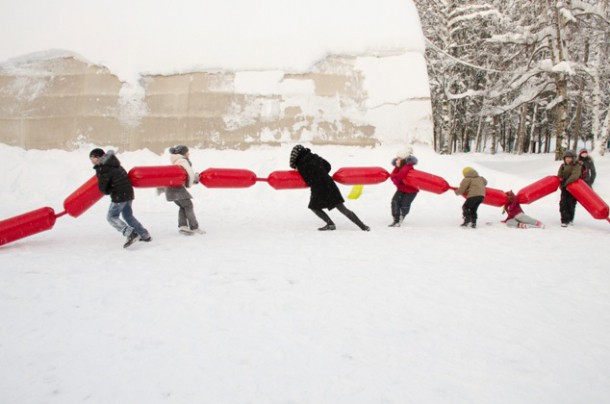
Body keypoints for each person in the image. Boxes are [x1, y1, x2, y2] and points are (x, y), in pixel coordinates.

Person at [289, 145, 370, 231]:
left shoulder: (301, 164)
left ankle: (330, 224)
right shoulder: (314, 157)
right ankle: (363, 226)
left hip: (318, 188)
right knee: (342, 208)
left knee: (314, 207)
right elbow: (328, 166)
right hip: (329, 184)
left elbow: (308, 181)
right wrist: (322, 174)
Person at [89, 148, 151, 248]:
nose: (92, 160)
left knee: (111, 217)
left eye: (94, 157)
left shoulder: (103, 168)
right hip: (128, 193)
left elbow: (103, 188)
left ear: (100, 157)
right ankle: (144, 235)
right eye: (91, 158)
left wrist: (108, 190)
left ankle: (130, 233)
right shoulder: (113, 162)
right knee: (128, 216)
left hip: (119, 195)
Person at [164, 145, 204, 235]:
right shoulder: (182, 161)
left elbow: (182, 176)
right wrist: (193, 180)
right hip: (177, 189)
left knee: (183, 206)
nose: (188, 154)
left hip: (170, 188)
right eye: (187, 152)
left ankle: (183, 226)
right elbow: (190, 174)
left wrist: (192, 180)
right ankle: (194, 227)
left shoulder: (176, 161)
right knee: (189, 205)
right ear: (183, 153)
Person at [388, 146, 419, 227]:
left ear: (405, 159)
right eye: (397, 158)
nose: (397, 160)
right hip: (402, 188)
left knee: (404, 204)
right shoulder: (399, 166)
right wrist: (393, 176)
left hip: (411, 190)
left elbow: (399, 176)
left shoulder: (407, 166)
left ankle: (401, 217)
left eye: (399, 158)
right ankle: (396, 219)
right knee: (395, 201)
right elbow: (393, 174)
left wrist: (395, 179)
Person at [557, 150, 582, 227]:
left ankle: (570, 219)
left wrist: (566, 183)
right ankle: (564, 220)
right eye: (566, 158)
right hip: (565, 187)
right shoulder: (563, 166)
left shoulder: (576, 165)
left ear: (573, 158)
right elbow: (559, 175)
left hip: (573, 187)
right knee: (563, 203)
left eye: (569, 158)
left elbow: (575, 175)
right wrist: (561, 184)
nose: (568, 159)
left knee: (571, 203)